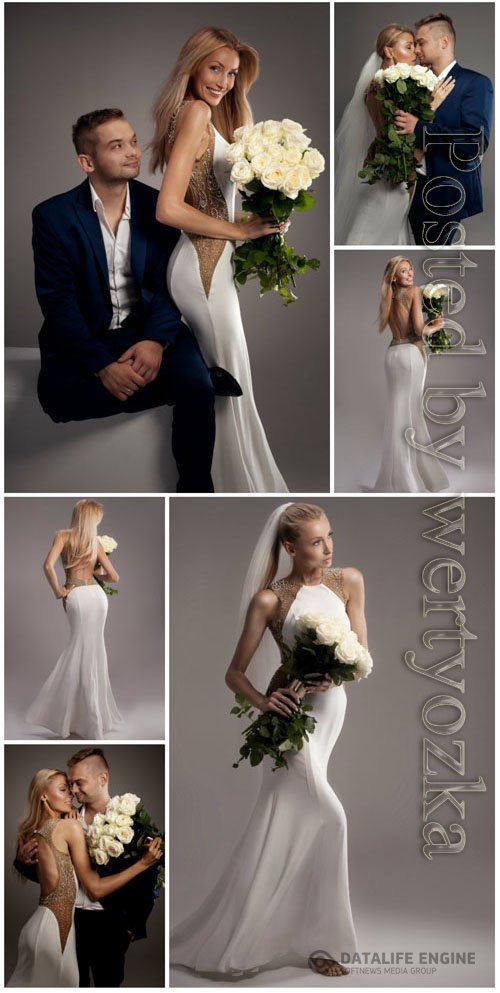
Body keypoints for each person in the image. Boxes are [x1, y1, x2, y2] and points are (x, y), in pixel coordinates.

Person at [171, 503, 367, 977]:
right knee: (330, 817)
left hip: (332, 709)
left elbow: (362, 653)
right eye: (316, 541)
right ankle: (249, 941)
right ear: (289, 547)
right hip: (290, 717)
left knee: (285, 824)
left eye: (329, 536)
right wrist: (264, 702)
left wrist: (339, 672)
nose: (328, 547)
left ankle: (315, 942)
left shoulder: (349, 581)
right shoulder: (270, 599)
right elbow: (233, 674)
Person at [33, 107, 215, 493]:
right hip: (89, 336)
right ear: (87, 161)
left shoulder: (160, 206)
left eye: (132, 141)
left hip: (149, 327)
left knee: (195, 390)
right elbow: (58, 303)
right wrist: (102, 365)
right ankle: (196, 382)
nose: (134, 151)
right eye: (117, 146)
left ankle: (195, 489)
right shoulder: (53, 217)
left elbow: (173, 283)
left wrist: (156, 341)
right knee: (56, 400)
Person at [151, 26, 288, 492]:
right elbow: (168, 208)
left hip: (211, 263)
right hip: (201, 266)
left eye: (231, 73)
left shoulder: (207, 114)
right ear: (192, 64)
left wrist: (260, 221)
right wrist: (238, 231)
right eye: (215, 68)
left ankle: (235, 481)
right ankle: (235, 486)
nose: (224, 81)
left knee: (229, 375)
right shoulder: (193, 112)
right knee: (229, 374)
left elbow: (211, 198)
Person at [8, 764, 162, 987]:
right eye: (66, 788)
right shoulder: (69, 825)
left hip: (101, 926)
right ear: (44, 795)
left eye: (74, 786)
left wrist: (130, 929)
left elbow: (58, 873)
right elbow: (80, 883)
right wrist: (143, 863)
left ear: (103, 778)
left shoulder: (130, 820)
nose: (72, 793)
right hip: (69, 924)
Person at [335, 23, 454, 245]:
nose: (415, 53)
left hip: (387, 173)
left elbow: (385, 131)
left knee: (382, 237)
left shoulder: (376, 85)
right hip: (392, 177)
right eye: (408, 47)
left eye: (415, 47)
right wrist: (433, 105)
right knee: (371, 237)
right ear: (389, 51)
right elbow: (401, 135)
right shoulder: (390, 87)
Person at [26, 499, 122, 739]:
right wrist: (95, 571)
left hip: (76, 595)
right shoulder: (94, 543)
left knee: (80, 650)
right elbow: (114, 577)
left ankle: (76, 719)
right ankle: (92, 720)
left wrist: (58, 591)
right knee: (94, 651)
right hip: (97, 598)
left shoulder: (63, 536)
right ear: (90, 518)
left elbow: (48, 565)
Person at [398, 13, 493, 245]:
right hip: (409, 192)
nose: (416, 50)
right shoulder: (411, 85)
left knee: (434, 254)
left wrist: (419, 128)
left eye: (421, 42)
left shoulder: (475, 83)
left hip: (448, 192)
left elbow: (475, 141)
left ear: (444, 42)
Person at [373, 257, 450, 492]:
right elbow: (418, 330)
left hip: (392, 354)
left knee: (399, 413)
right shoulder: (414, 292)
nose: (410, 274)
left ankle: (398, 478)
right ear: (394, 276)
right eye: (403, 271)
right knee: (411, 413)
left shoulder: (389, 297)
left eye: (410, 269)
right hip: (410, 355)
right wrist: (436, 325)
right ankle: (409, 480)